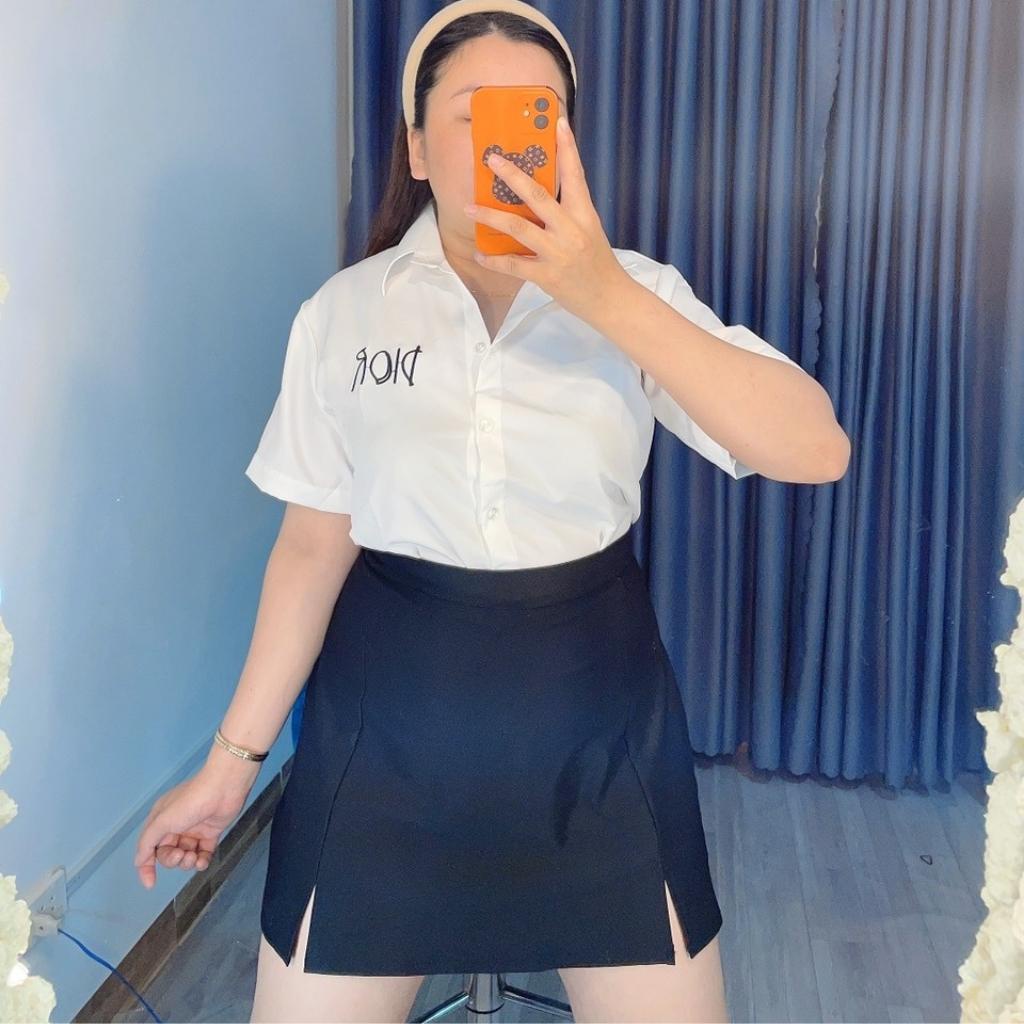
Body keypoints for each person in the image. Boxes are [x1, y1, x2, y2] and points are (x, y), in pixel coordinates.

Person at [133, 2, 849, 1021]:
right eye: (474, 115)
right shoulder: (345, 312)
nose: (506, 143)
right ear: (417, 149)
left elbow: (815, 449)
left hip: (599, 722)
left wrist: (604, 295)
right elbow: (311, 548)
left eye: (536, 114)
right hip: (383, 732)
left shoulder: (637, 293)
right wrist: (228, 765)